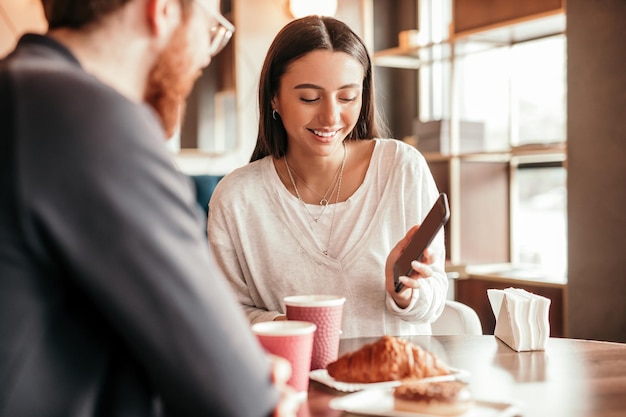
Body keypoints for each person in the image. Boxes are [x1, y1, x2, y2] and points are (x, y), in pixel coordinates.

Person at [0, 0, 298, 416]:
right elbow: (240, 398)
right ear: (163, 11)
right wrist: (246, 382)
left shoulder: (22, 91)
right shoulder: (89, 117)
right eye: (210, 28)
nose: (204, 56)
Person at [207, 15, 448, 339]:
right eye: (309, 98)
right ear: (274, 97)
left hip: (394, 384)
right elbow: (225, 316)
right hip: (296, 385)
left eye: (347, 97)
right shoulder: (237, 198)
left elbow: (435, 296)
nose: (331, 117)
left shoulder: (402, 168)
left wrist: (403, 290)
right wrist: (291, 328)